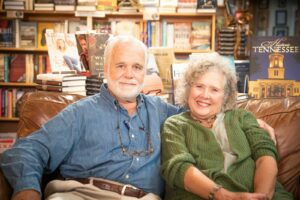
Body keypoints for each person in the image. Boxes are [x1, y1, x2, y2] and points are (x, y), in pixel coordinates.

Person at [0, 36, 274, 200]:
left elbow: (203, 109)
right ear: (106, 69)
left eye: (137, 67)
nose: (129, 74)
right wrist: (27, 190)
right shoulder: (80, 113)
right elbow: (27, 151)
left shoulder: (163, 112)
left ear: (145, 73)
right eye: (121, 66)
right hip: (80, 195)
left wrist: (250, 121)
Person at [160, 54, 292, 200]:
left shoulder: (242, 117)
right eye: (199, 86)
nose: (205, 95)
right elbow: (178, 168)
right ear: (187, 89)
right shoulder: (174, 125)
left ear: (225, 96)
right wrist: (227, 197)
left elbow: (266, 155)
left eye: (214, 90)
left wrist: (261, 196)